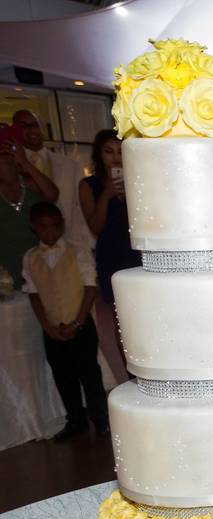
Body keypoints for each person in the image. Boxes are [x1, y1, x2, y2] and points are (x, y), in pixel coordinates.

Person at [22, 201, 108, 440]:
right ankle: (76, 420)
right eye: (43, 227)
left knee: (89, 373)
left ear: (62, 226)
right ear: (34, 227)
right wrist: (47, 326)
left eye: (54, 226)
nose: (49, 232)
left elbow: (90, 288)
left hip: (80, 324)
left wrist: (78, 322)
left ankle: (99, 418)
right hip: (52, 329)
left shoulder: (77, 251)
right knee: (63, 376)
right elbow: (34, 294)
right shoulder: (30, 258)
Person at [79, 129, 141, 363]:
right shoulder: (88, 185)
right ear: (99, 154)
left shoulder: (137, 180)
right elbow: (94, 226)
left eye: (119, 151)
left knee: (146, 313)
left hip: (138, 252)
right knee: (121, 319)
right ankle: (131, 370)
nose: (115, 157)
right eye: (108, 151)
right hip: (112, 255)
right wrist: (106, 195)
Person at [12, 110, 91, 250]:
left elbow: (79, 207)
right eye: (23, 126)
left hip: (71, 243)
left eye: (35, 124)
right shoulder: (10, 166)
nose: (31, 130)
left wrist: (88, 242)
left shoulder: (70, 165)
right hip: (26, 245)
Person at [0, 146, 53, 288]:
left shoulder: (31, 183)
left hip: (39, 257)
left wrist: (25, 163)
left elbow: (53, 195)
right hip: (7, 262)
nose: (6, 160)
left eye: (9, 156)